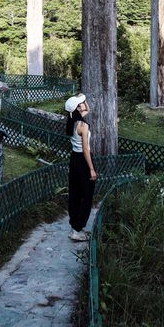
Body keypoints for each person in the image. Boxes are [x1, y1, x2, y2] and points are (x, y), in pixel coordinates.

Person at [65, 93, 97, 240]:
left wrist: (80, 99)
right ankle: (78, 229)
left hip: (74, 159)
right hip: (83, 160)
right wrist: (91, 168)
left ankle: (74, 226)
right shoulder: (83, 126)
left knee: (75, 193)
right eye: (82, 103)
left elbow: (87, 110)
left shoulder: (72, 120)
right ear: (77, 108)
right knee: (87, 194)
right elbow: (85, 149)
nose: (85, 104)